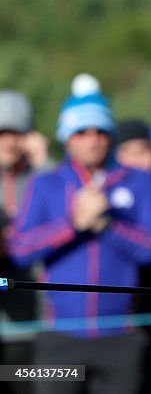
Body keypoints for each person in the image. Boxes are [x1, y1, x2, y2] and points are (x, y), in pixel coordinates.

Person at [8, 75, 151, 394]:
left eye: (100, 131)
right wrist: (73, 224)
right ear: (67, 137)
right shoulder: (46, 183)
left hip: (121, 336)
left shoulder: (138, 181)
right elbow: (21, 249)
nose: (92, 139)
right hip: (60, 338)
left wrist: (107, 225)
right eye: (81, 131)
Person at [0, 90, 41, 394]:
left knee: (38, 381)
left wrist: (44, 161)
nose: (9, 141)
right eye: (2, 133)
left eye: (17, 133)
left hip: (33, 317)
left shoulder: (45, 176)